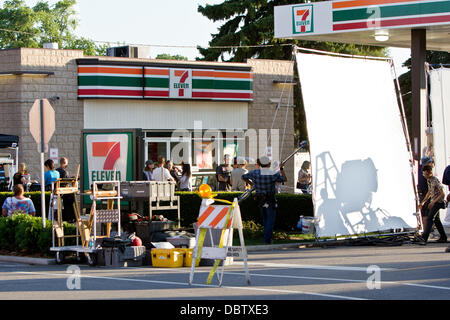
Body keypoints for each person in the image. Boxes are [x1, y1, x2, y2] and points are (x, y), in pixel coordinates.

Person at [242, 156, 287, 244]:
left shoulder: (254, 172)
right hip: (270, 199)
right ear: (269, 163)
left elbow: (243, 177)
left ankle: (267, 237)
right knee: (270, 219)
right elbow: (284, 179)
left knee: (265, 219)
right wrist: (281, 168)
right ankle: (267, 239)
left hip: (260, 199)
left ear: (259, 164)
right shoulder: (273, 173)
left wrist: (253, 184)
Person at [417, 165, 448, 244]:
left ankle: (424, 238)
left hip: (438, 202)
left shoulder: (435, 180)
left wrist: (433, 202)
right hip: (433, 201)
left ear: (431, 172)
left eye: (427, 174)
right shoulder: (429, 180)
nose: (425, 176)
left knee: (430, 218)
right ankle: (443, 237)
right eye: (424, 174)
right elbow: (429, 192)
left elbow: (442, 194)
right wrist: (423, 202)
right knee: (436, 220)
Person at [55, 157, 75, 222]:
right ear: (64, 163)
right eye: (66, 163)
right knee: (72, 198)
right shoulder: (63, 171)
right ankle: (71, 217)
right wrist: (72, 179)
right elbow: (65, 182)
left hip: (58, 190)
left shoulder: (56, 170)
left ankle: (68, 217)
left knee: (69, 198)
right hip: (62, 191)